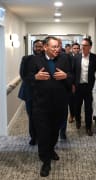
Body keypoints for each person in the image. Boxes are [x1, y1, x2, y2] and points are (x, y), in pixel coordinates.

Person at [28, 36, 72, 177]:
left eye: (58, 46)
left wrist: (66, 76)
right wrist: (35, 77)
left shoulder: (64, 59)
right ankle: (45, 162)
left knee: (54, 132)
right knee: (43, 134)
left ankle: (51, 149)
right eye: (53, 47)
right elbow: (26, 78)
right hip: (41, 106)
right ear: (45, 47)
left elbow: (72, 77)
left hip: (59, 105)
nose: (57, 49)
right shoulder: (34, 60)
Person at [18, 39, 43, 145]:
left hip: (44, 93)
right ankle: (33, 137)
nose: (39, 48)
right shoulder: (26, 59)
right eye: (37, 46)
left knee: (43, 116)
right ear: (33, 47)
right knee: (32, 116)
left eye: (41, 46)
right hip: (30, 93)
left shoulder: (47, 59)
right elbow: (23, 75)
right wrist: (35, 77)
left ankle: (42, 136)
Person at [74, 38, 96, 136]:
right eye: (82, 45)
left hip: (89, 87)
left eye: (85, 45)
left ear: (90, 47)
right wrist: (72, 85)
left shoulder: (95, 58)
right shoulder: (76, 57)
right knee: (77, 106)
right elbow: (73, 72)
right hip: (78, 87)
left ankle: (88, 127)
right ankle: (78, 120)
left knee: (88, 108)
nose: (82, 47)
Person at [67, 42, 80, 123]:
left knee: (78, 101)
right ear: (72, 49)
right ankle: (72, 115)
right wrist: (71, 84)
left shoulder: (82, 57)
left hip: (79, 83)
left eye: (77, 48)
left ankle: (77, 115)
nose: (76, 50)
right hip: (71, 83)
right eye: (74, 48)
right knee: (71, 101)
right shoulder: (68, 57)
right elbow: (69, 71)